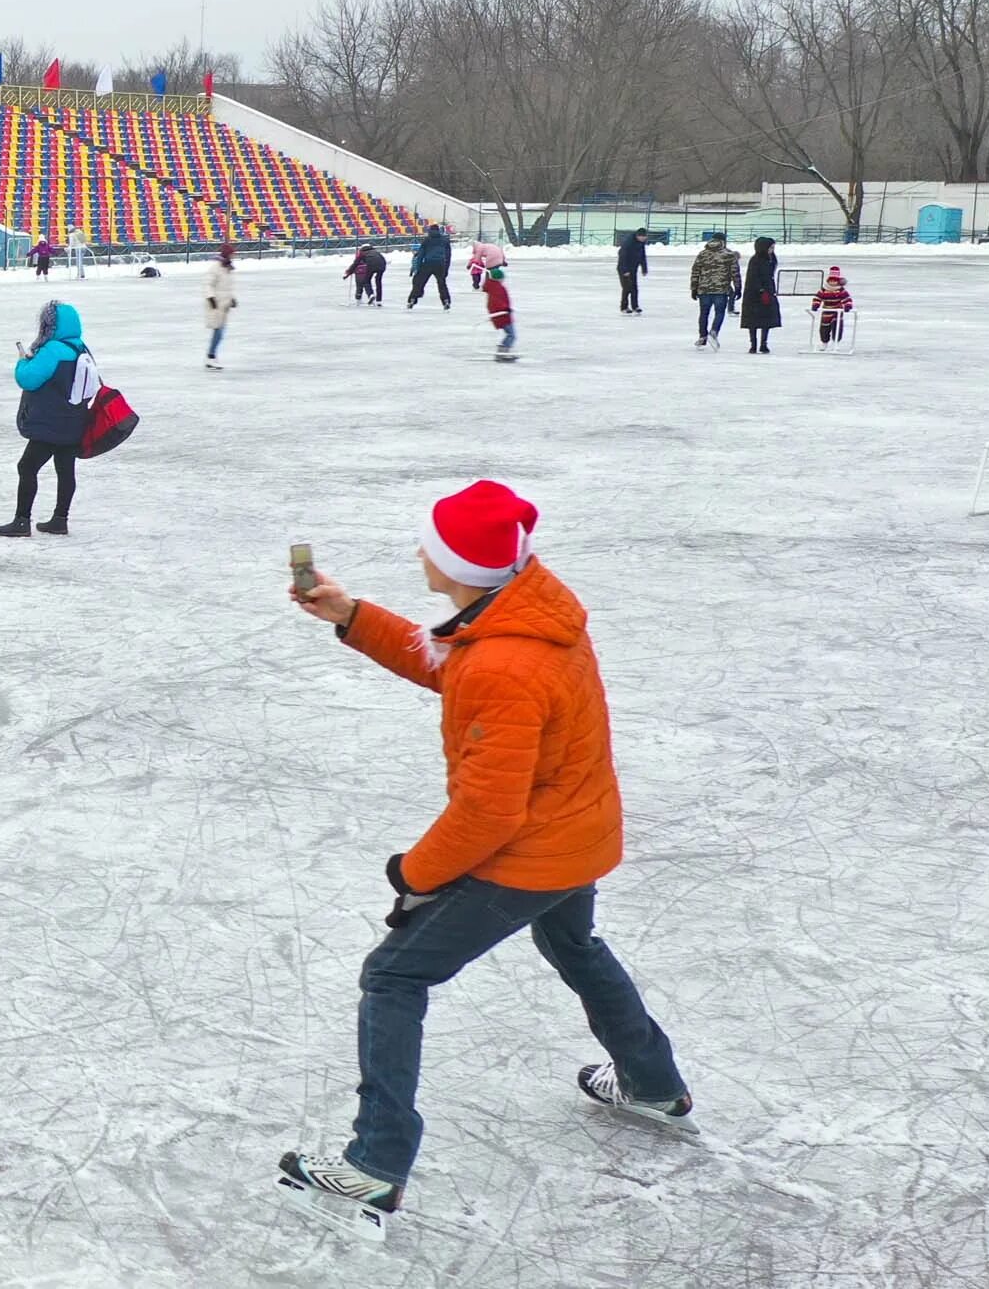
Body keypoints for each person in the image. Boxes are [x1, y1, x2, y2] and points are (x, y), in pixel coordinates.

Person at [278, 480, 693, 1225]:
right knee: (576, 944)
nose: (419, 555)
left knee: (393, 975)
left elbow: (488, 810)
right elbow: (453, 665)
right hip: (577, 831)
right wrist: (349, 615)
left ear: (458, 565)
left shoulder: (506, 661)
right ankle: (653, 1081)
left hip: (530, 851)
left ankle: (375, 1160)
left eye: (430, 548)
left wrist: (413, 874)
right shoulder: (524, 615)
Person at [0, 300, 96, 537]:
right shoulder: (81, 348)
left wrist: (23, 360)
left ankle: (22, 520)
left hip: (50, 424)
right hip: (75, 421)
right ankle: (60, 519)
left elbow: (27, 379)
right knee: (65, 470)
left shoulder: (51, 350)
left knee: (27, 466)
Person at [690, 232, 740, 350]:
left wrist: (694, 288)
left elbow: (695, 271)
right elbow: (735, 272)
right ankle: (714, 331)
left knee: (704, 313)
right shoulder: (728, 254)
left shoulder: (702, 254)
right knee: (719, 312)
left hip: (704, 289)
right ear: (723, 241)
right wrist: (738, 287)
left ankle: (702, 336)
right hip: (721, 289)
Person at [738, 236, 782, 354]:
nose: (772, 250)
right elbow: (753, 277)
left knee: (766, 320)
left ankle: (764, 343)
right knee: (753, 321)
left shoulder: (772, 259)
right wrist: (761, 290)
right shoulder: (755, 260)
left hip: (768, 292)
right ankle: (753, 344)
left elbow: (770, 275)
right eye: (770, 247)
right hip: (754, 295)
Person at [203, 243, 237, 371]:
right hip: (215, 305)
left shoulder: (227, 268)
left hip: (224, 305)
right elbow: (208, 284)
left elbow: (226, 286)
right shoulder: (216, 267)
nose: (233, 257)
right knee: (218, 332)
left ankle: (212, 356)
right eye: (232, 254)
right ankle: (211, 357)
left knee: (219, 332)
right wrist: (210, 298)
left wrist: (232, 298)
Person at [407, 224, 453, 311]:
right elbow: (448, 255)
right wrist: (446, 269)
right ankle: (446, 300)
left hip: (428, 263)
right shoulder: (444, 240)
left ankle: (412, 299)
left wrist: (418, 268)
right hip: (440, 264)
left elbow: (420, 255)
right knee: (442, 284)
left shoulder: (427, 240)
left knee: (419, 282)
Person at [811, 267, 854, 348]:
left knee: (837, 327)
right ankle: (824, 343)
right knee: (824, 328)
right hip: (826, 311)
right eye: (831, 281)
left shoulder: (840, 290)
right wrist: (815, 305)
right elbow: (817, 297)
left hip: (837, 311)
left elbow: (847, 299)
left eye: (834, 281)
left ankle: (835, 342)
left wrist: (847, 306)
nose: (832, 283)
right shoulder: (824, 290)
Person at [485, 264, 515, 362]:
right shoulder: (498, 288)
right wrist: (505, 309)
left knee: (509, 334)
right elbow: (496, 302)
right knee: (511, 335)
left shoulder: (493, 287)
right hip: (502, 315)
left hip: (500, 315)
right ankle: (502, 353)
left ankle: (502, 352)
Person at [615, 229, 649, 316]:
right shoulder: (628, 243)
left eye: (645, 237)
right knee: (627, 288)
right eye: (642, 237)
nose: (644, 239)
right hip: (624, 269)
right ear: (638, 236)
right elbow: (622, 256)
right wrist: (625, 270)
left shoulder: (641, 243)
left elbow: (642, 256)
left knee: (634, 288)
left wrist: (644, 269)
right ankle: (624, 307)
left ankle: (635, 306)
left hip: (633, 268)